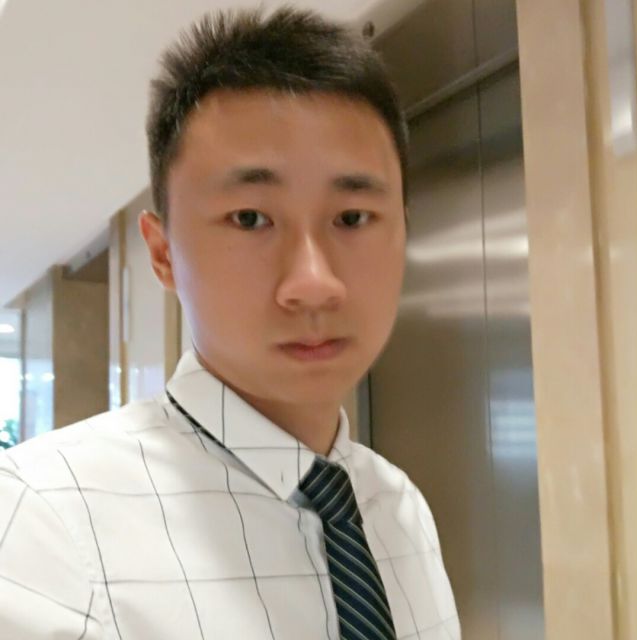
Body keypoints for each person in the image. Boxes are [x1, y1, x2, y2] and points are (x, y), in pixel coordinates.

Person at [0, 6, 460, 639]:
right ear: (163, 253)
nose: (314, 282)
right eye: (250, 218)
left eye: (352, 217)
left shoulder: (399, 507)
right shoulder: (45, 523)